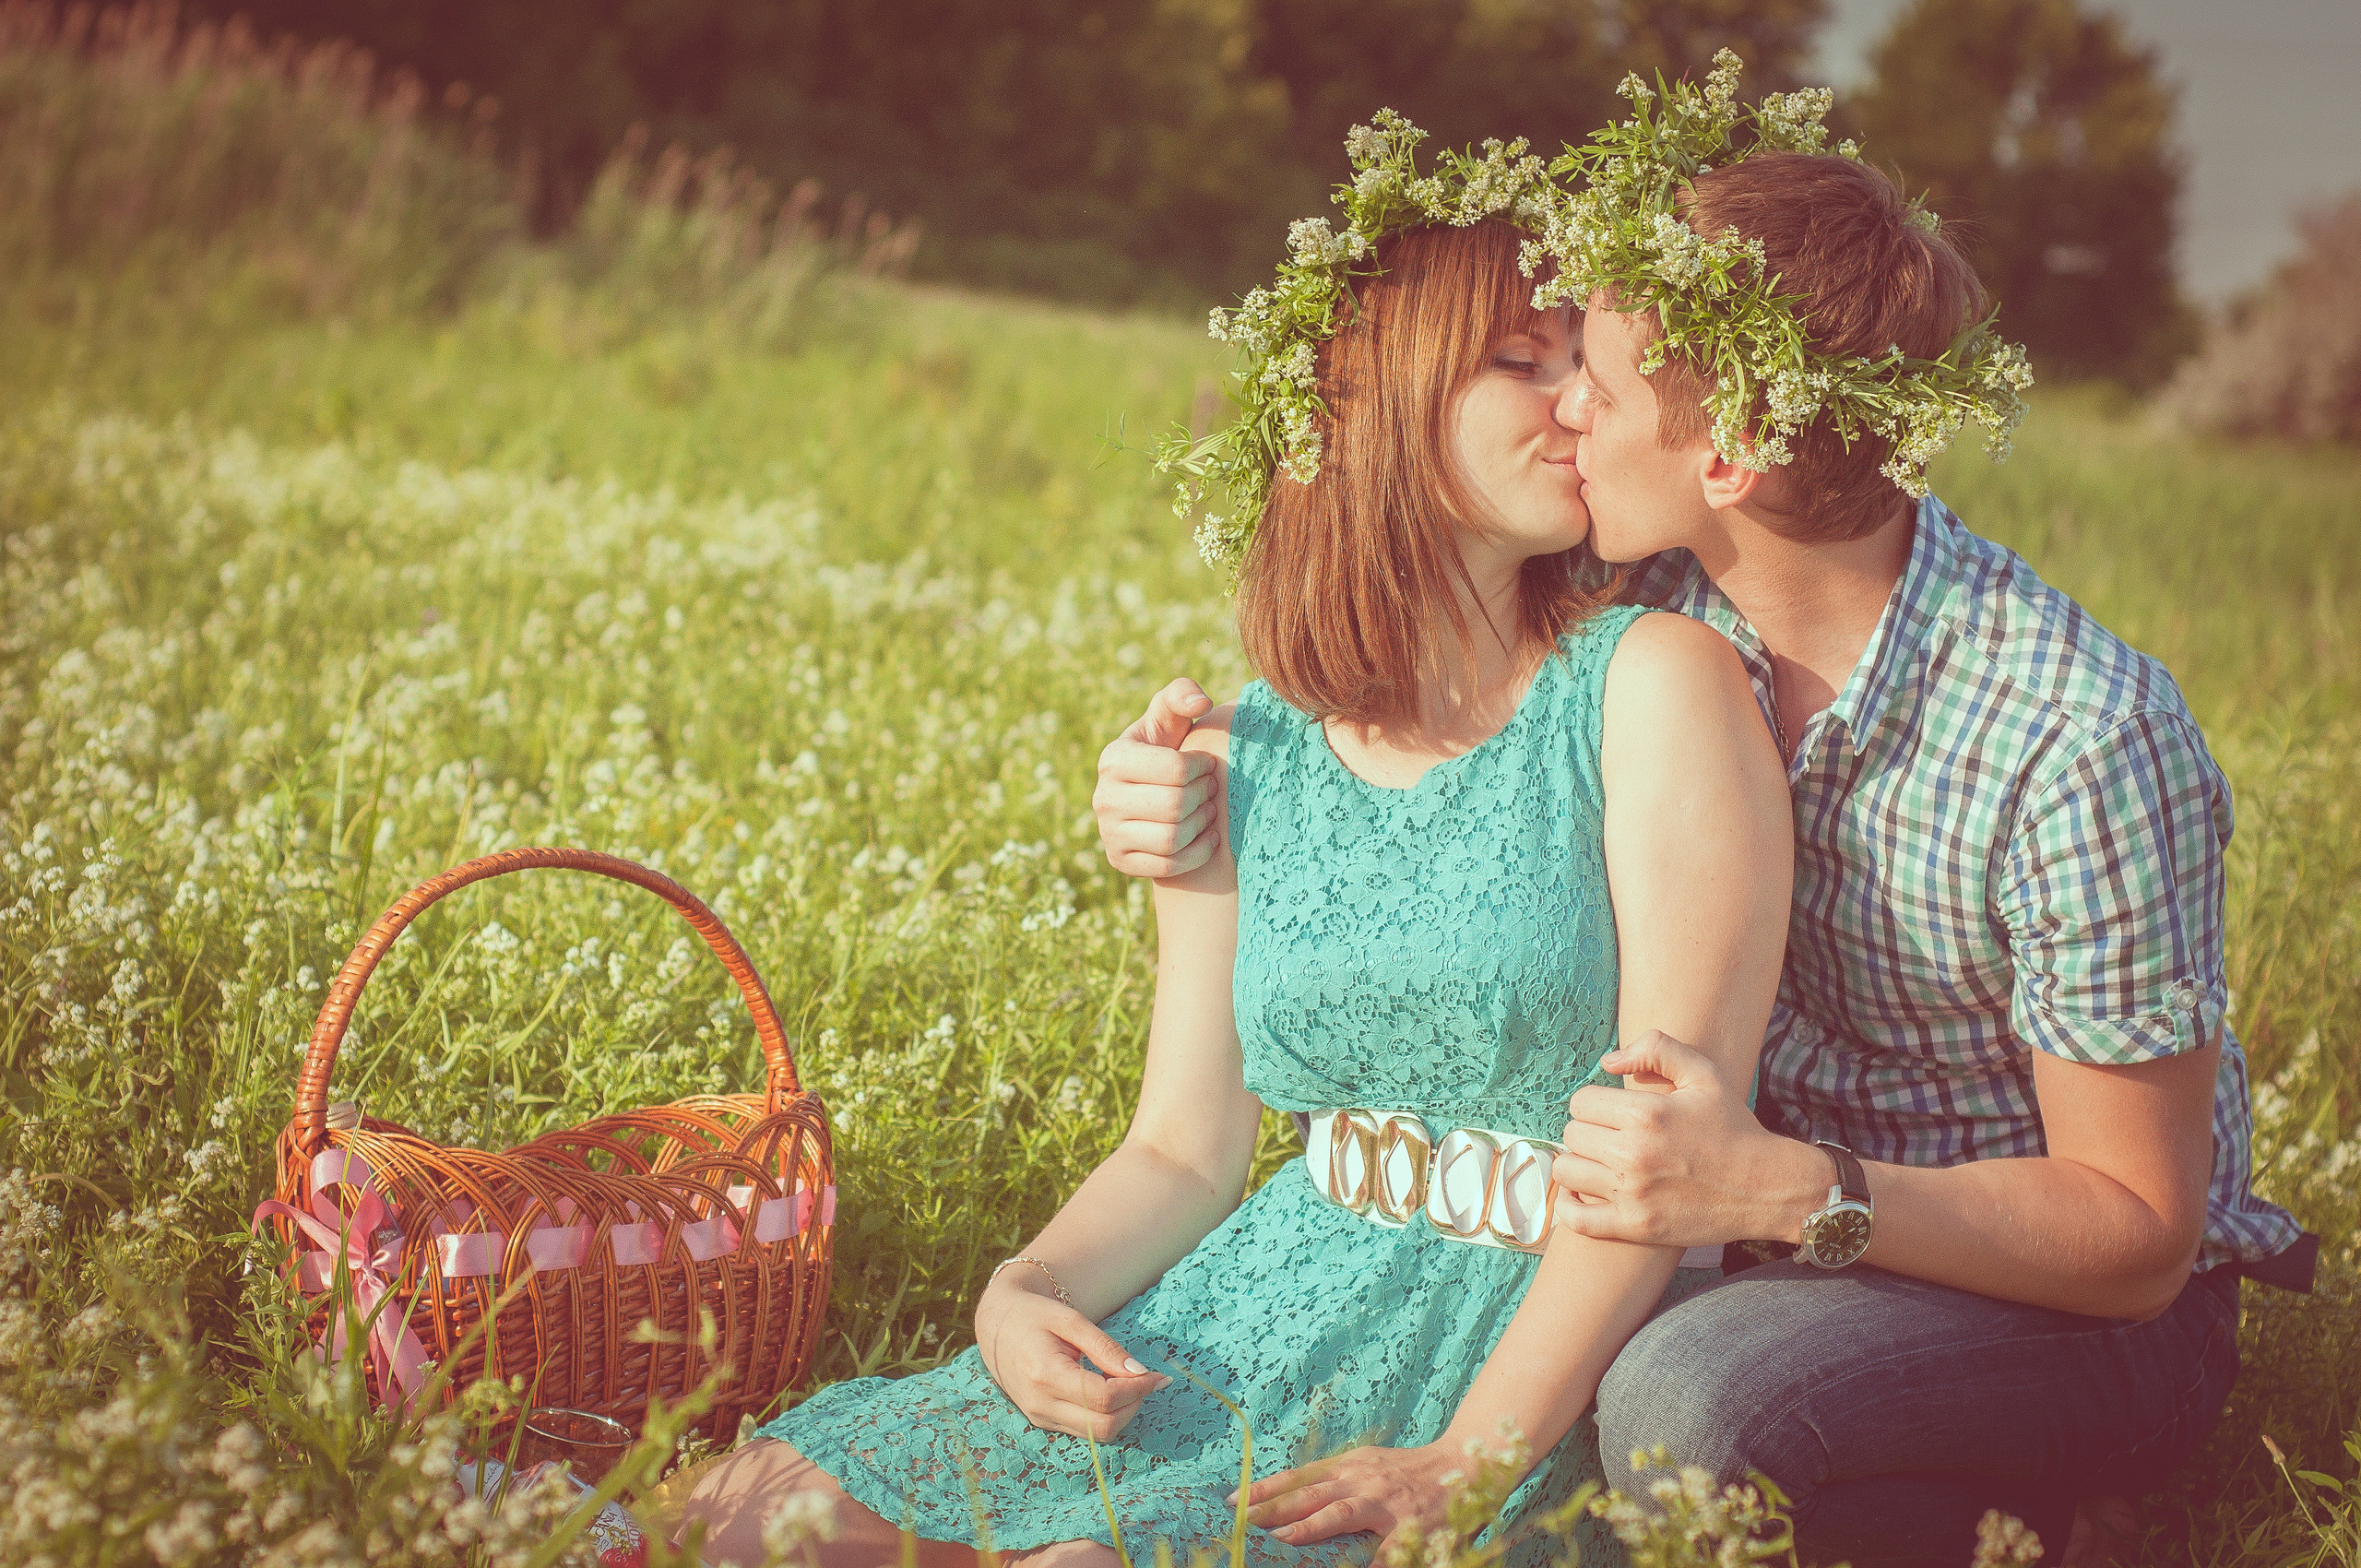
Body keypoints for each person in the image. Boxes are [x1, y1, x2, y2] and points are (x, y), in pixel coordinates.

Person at [1091, 64, 2314, 1568]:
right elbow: (1414, 686)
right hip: (1737, 1232)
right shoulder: (1645, 589)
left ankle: (2058, 1527)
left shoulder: (2076, 734)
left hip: (2055, 1302)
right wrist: (1200, 778)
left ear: (1729, 452)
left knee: (1677, 1404)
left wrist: (1796, 1191)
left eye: (1593, 375)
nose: (1564, 408)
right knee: (1630, 1432)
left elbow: (2136, 1238)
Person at [676, 125, 1792, 1568]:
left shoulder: (1651, 685)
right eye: (1526, 362)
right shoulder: (1237, 750)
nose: (1583, 402)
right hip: (1250, 1303)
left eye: (1586, 362)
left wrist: (1467, 1464)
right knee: (747, 1508)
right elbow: (1184, 1147)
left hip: (1513, 1361)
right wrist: (1019, 1292)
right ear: (1380, 402)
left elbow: (1663, 1167)